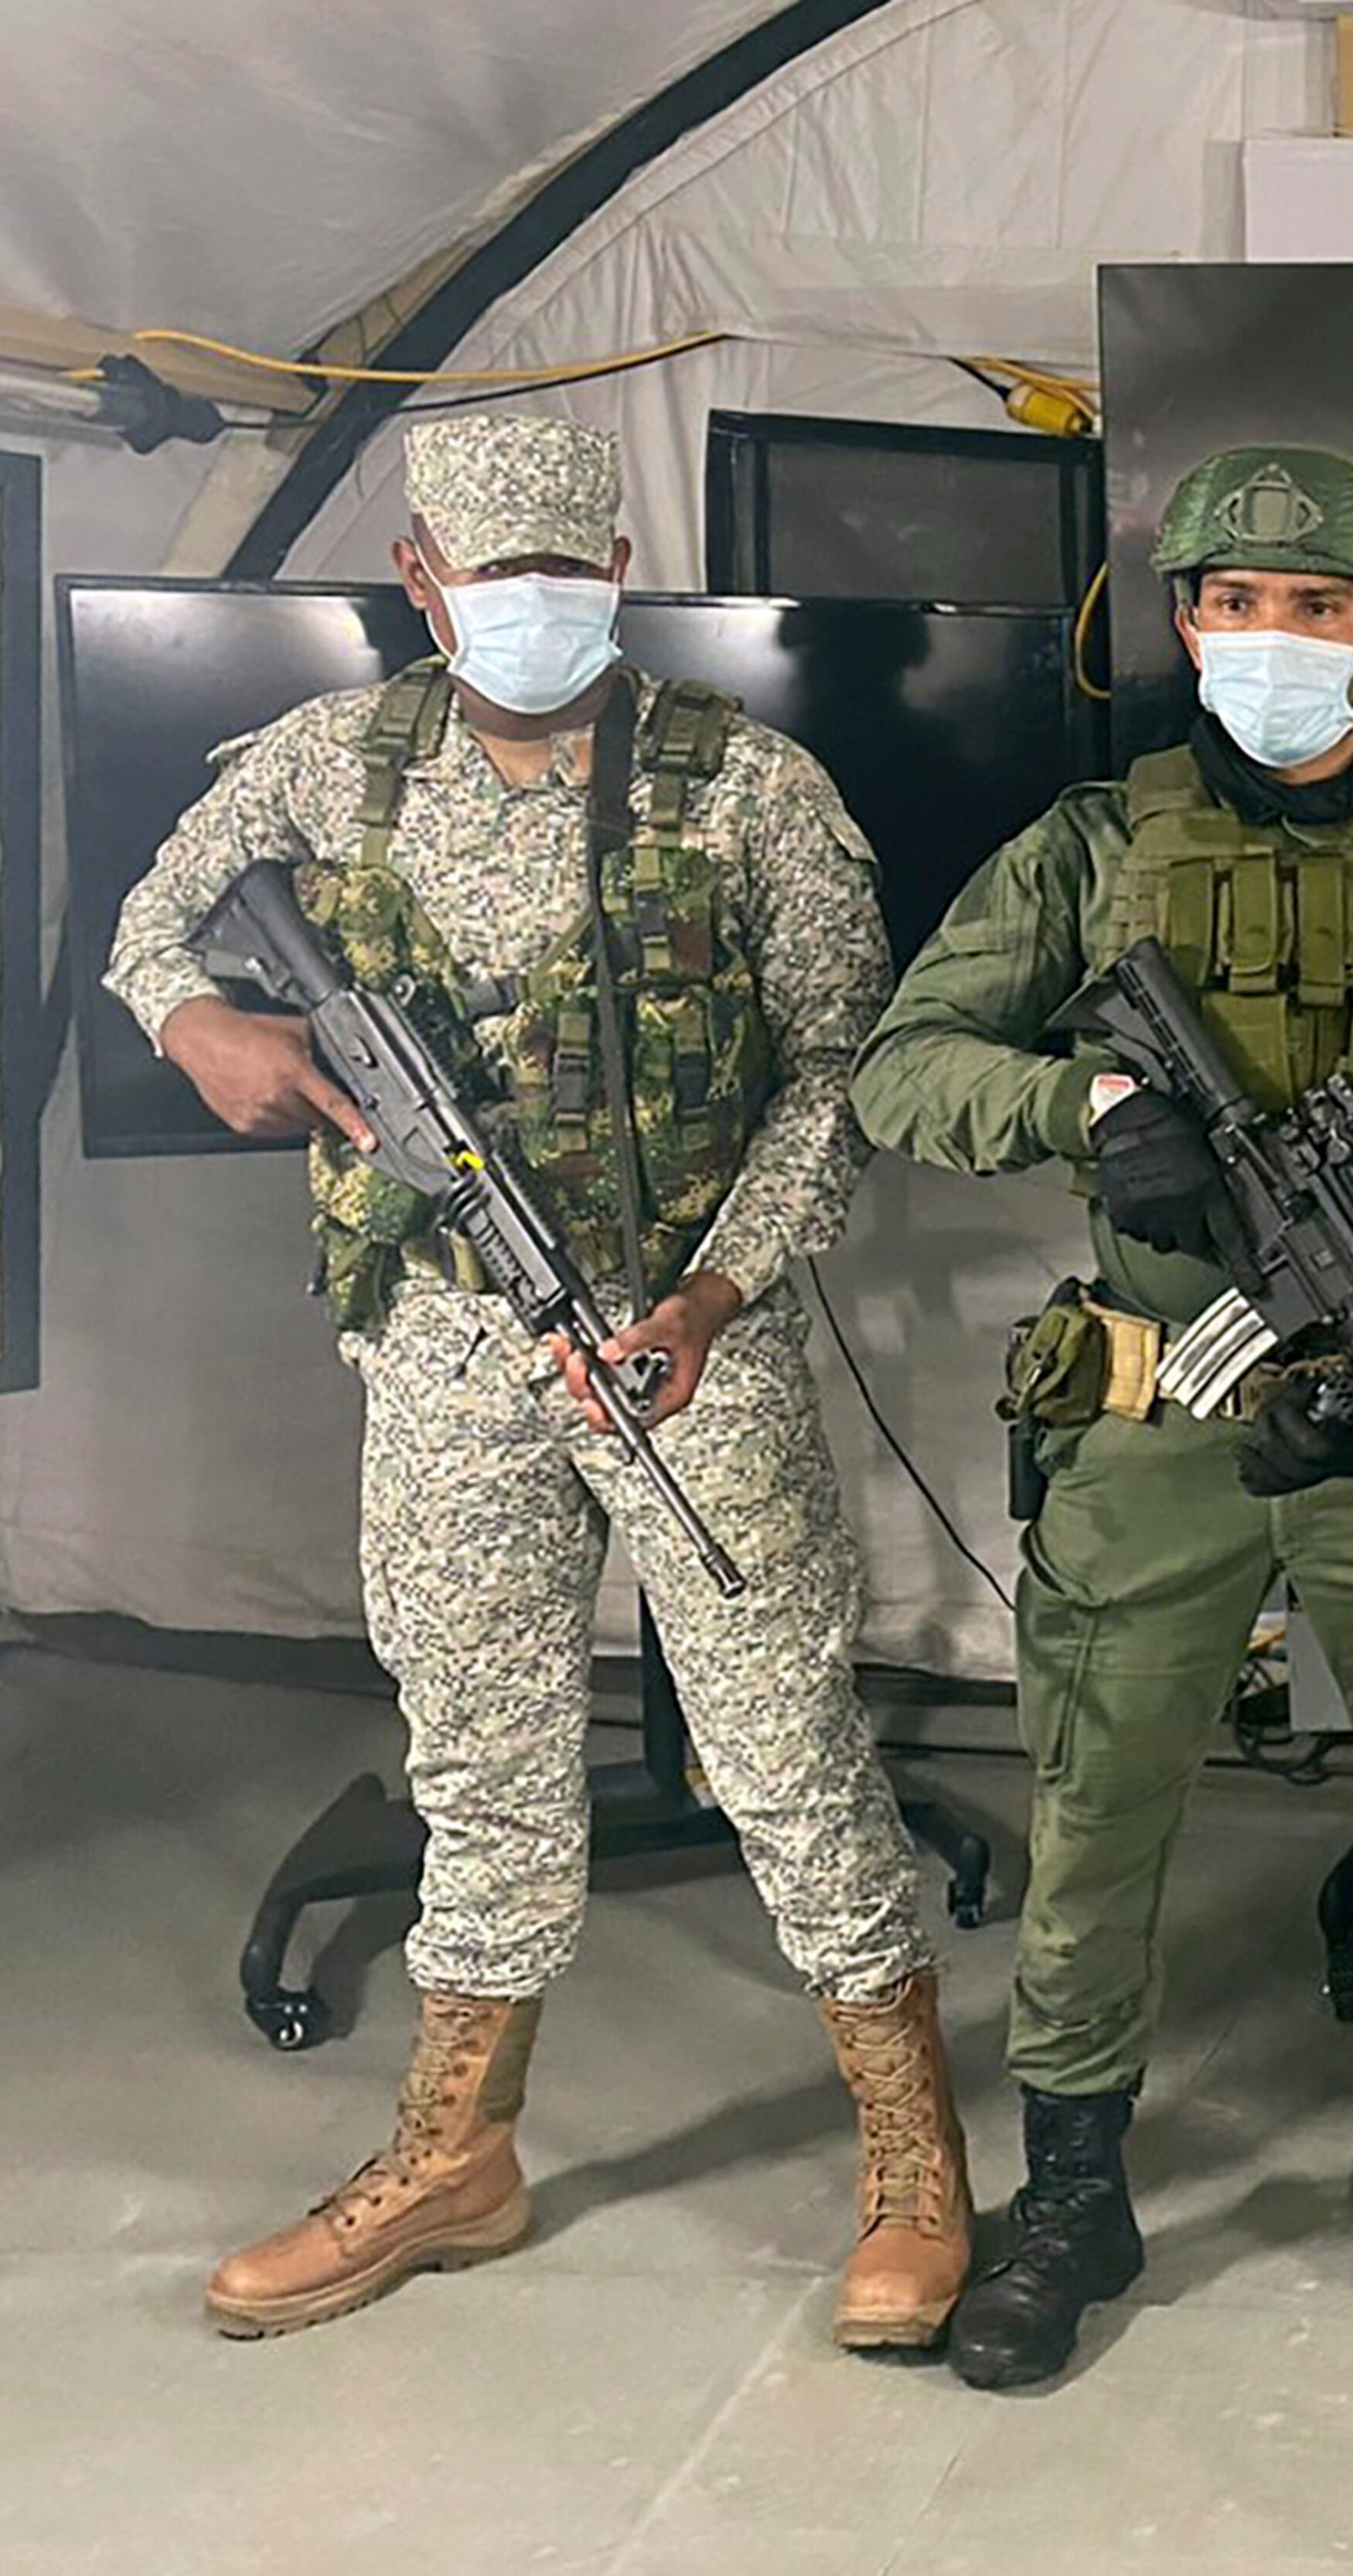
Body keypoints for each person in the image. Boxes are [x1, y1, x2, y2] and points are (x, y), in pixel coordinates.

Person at [107, 413, 967, 2353]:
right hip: (441, 1341)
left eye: (571, 577)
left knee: (785, 1751)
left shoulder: (749, 788)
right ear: (423, 582)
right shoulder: (336, 759)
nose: (536, 613)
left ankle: (914, 2162)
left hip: (682, 1346)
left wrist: (724, 1288)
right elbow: (154, 926)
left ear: (622, 569)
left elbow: (847, 1070)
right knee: (480, 1753)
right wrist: (195, 1029)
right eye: (498, 583)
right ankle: (456, 2155)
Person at [850, 444, 1353, 2411]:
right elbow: (901, 1070)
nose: (1268, 642)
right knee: (1099, 1811)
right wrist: (1088, 1117)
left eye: (1313, 608)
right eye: (1230, 603)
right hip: (1151, 1418)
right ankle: (1077, 2192)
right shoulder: (1083, 855)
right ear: (1179, 624)